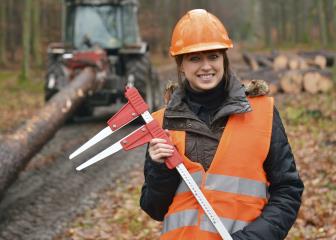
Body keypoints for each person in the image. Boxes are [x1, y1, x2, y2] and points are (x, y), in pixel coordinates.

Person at [140, 9, 304, 240]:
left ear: (224, 60)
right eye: (195, 58)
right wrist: (158, 169)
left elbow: (288, 190)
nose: (206, 66)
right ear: (181, 65)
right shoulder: (161, 124)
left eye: (213, 56)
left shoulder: (262, 113)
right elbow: (154, 208)